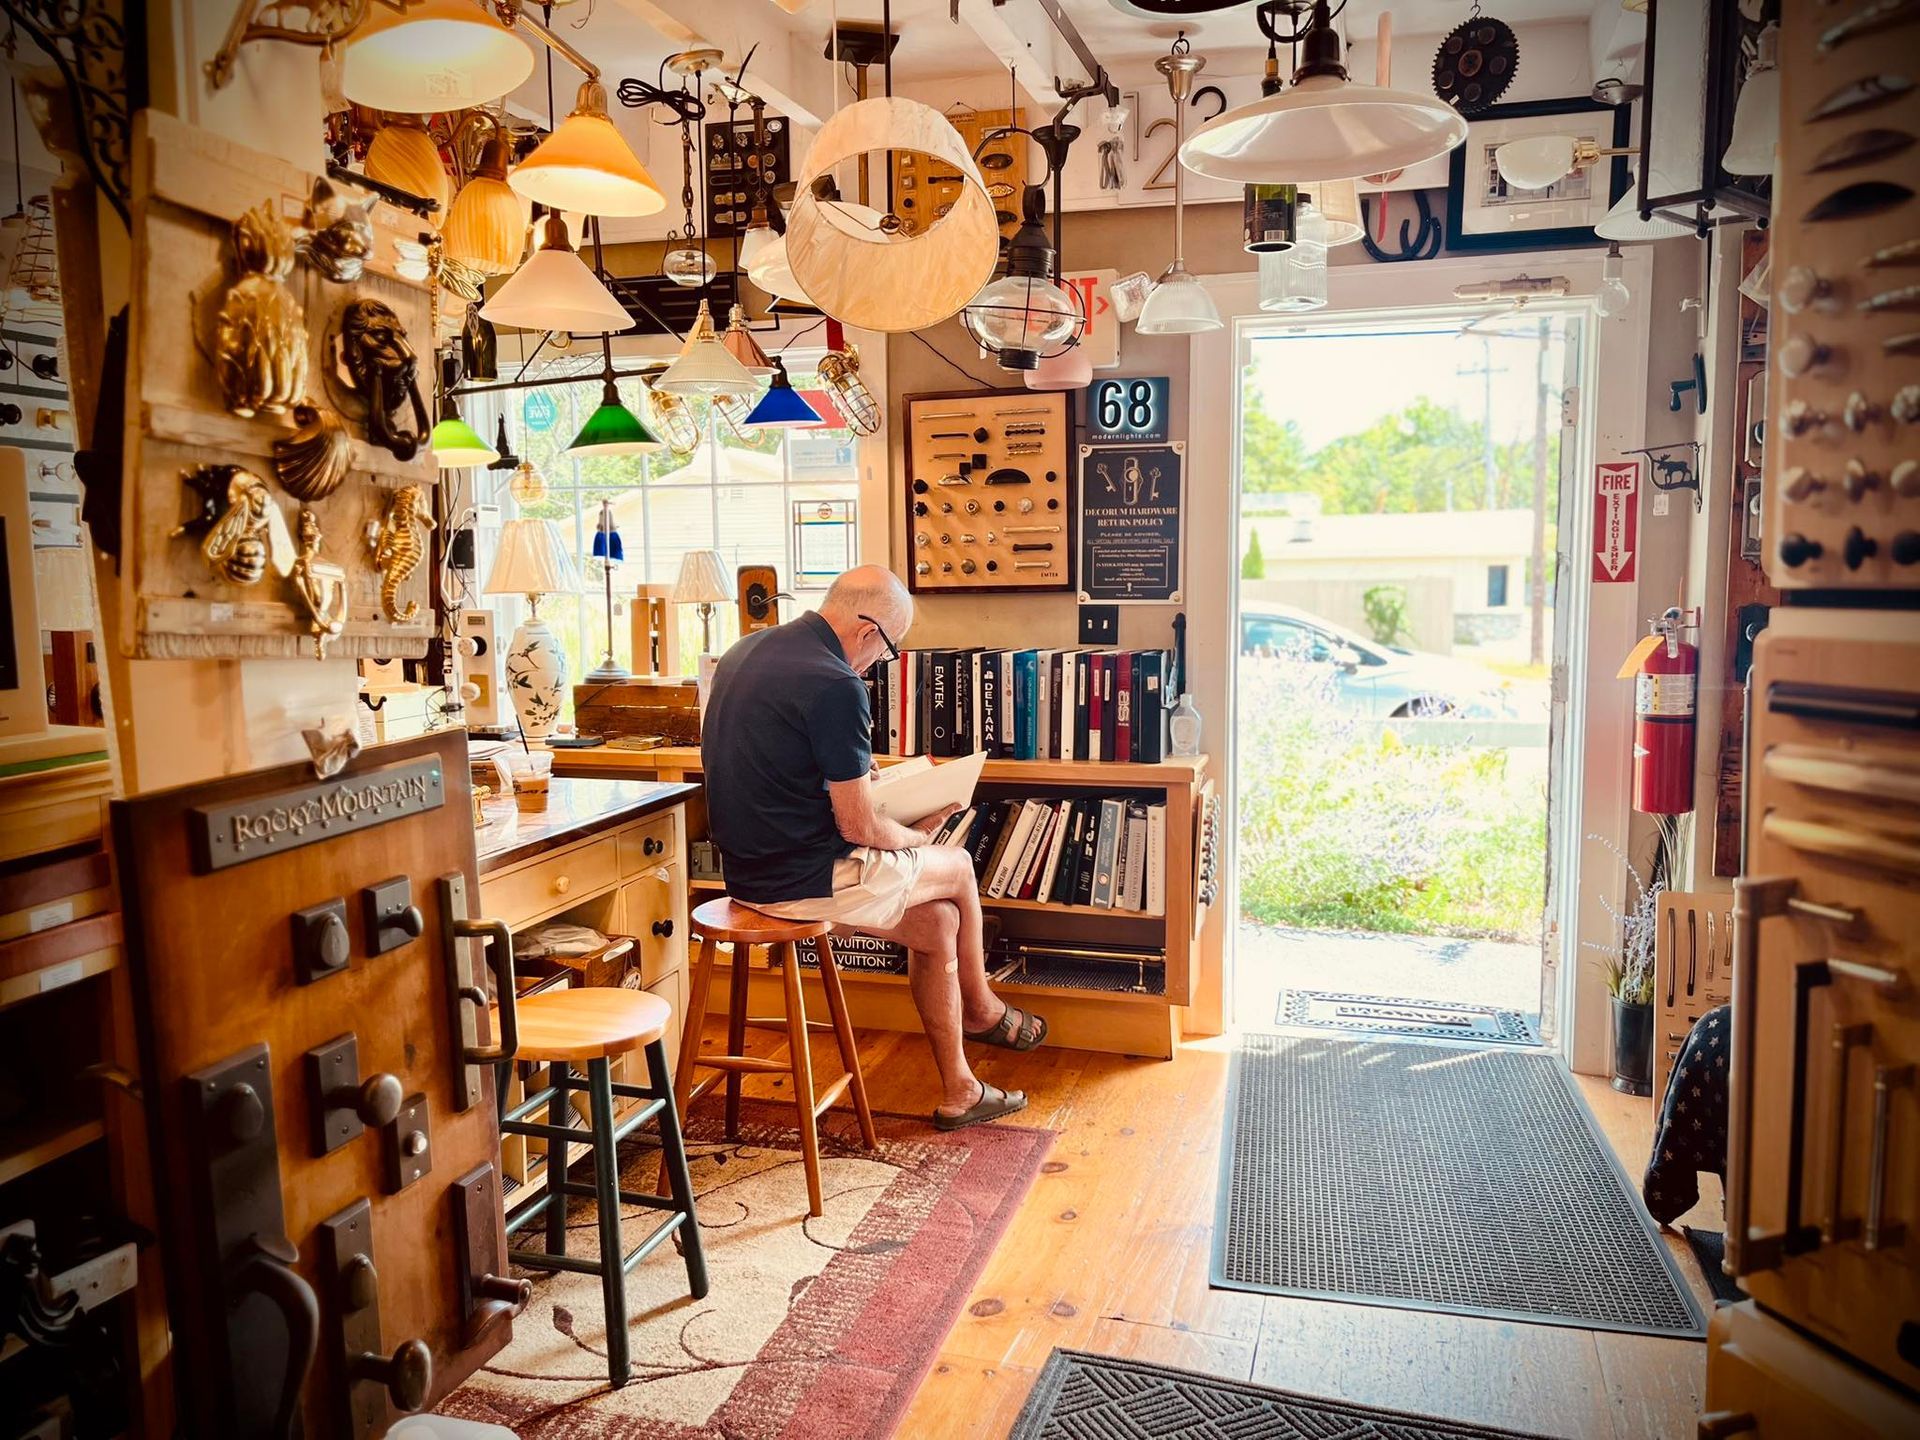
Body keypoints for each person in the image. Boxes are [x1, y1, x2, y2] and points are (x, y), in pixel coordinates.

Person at [701, 564, 1047, 1129]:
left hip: (745, 873)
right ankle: (983, 1010)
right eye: (887, 649)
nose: (880, 663)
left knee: (937, 926)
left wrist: (866, 791)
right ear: (867, 630)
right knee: (957, 865)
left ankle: (960, 1090)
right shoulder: (836, 683)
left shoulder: (748, 649)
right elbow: (860, 827)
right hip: (803, 881)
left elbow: (777, 768)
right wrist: (919, 832)